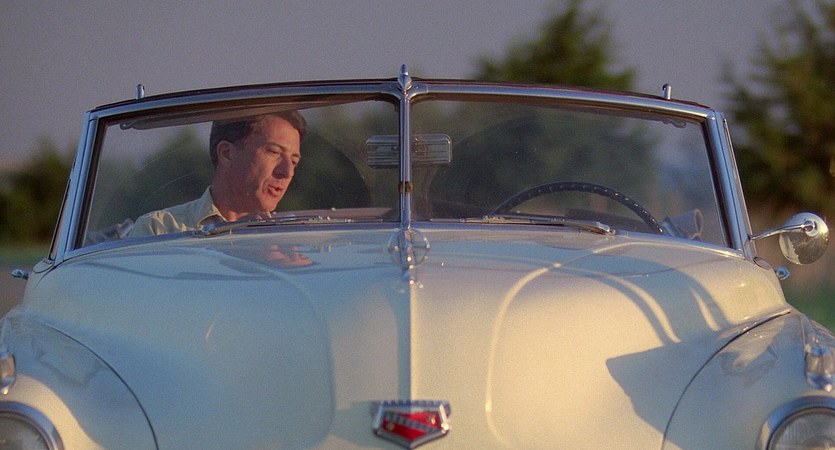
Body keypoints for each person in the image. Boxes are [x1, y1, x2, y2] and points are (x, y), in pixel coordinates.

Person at [129, 111, 306, 236]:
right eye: (274, 152)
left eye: (294, 161)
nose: (287, 172)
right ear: (226, 153)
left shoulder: (294, 240)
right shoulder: (159, 229)